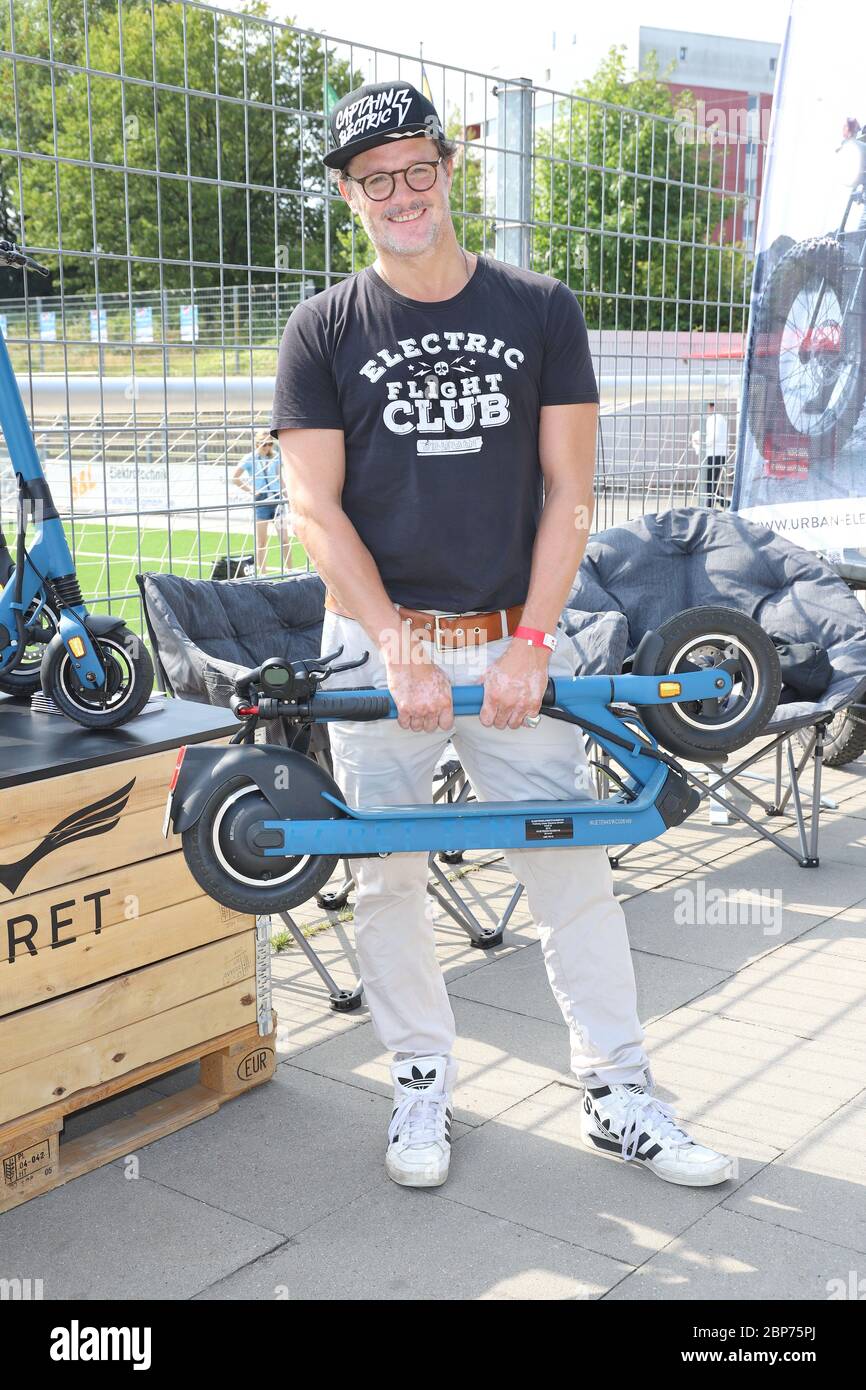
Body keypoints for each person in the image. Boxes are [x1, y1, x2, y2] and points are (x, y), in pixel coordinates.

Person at [271, 80, 734, 1192]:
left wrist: (532, 638)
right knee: (386, 875)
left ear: (445, 169)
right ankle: (420, 1079)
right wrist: (391, 644)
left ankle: (621, 1093)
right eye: (373, 178)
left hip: (509, 643)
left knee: (568, 862)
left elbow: (571, 486)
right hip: (378, 648)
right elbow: (313, 507)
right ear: (348, 194)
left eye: (416, 169)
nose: (400, 194)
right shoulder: (323, 328)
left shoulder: (538, 309)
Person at [232, 428, 291, 574]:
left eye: (270, 444)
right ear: (257, 443)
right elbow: (235, 478)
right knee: (262, 541)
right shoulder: (249, 458)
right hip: (261, 501)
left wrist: (287, 496)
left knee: (284, 539)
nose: (268, 447)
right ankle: (263, 574)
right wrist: (252, 491)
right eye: (264, 444)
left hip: (277, 499)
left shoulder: (276, 456)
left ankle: (290, 571)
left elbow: (279, 478)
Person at [703, 402, 728, 508]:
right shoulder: (721, 418)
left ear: (711, 407)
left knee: (710, 482)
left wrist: (702, 442)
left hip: (715, 453)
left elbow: (715, 436)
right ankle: (723, 502)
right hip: (721, 453)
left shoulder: (713, 419)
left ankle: (710, 506)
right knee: (712, 481)